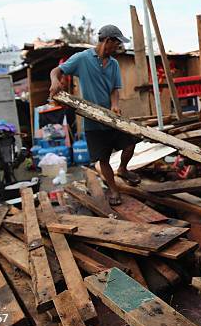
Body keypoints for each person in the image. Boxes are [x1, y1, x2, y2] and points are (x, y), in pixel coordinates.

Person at [49, 25, 141, 205]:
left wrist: (115, 105)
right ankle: (114, 190)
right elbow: (56, 71)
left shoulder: (114, 63)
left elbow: (115, 88)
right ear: (107, 41)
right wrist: (55, 81)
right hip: (92, 120)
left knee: (130, 144)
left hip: (111, 117)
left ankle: (122, 169)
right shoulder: (82, 59)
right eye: (117, 44)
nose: (118, 48)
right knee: (103, 159)